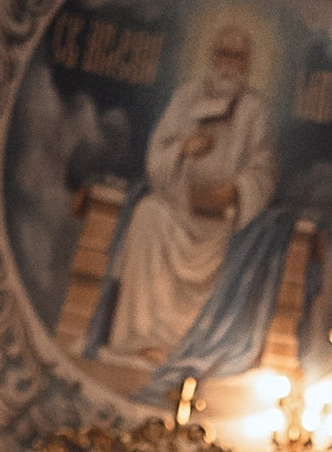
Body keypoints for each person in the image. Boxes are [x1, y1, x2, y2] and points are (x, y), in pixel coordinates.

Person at [98, 24, 279, 375]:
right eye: (223, 54)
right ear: (212, 57)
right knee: (147, 214)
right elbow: (158, 152)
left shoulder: (255, 110)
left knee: (223, 244)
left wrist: (239, 188)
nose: (229, 64)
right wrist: (183, 149)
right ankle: (141, 338)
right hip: (179, 207)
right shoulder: (187, 97)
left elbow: (265, 167)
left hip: (221, 220)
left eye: (237, 57)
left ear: (247, 63)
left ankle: (190, 344)